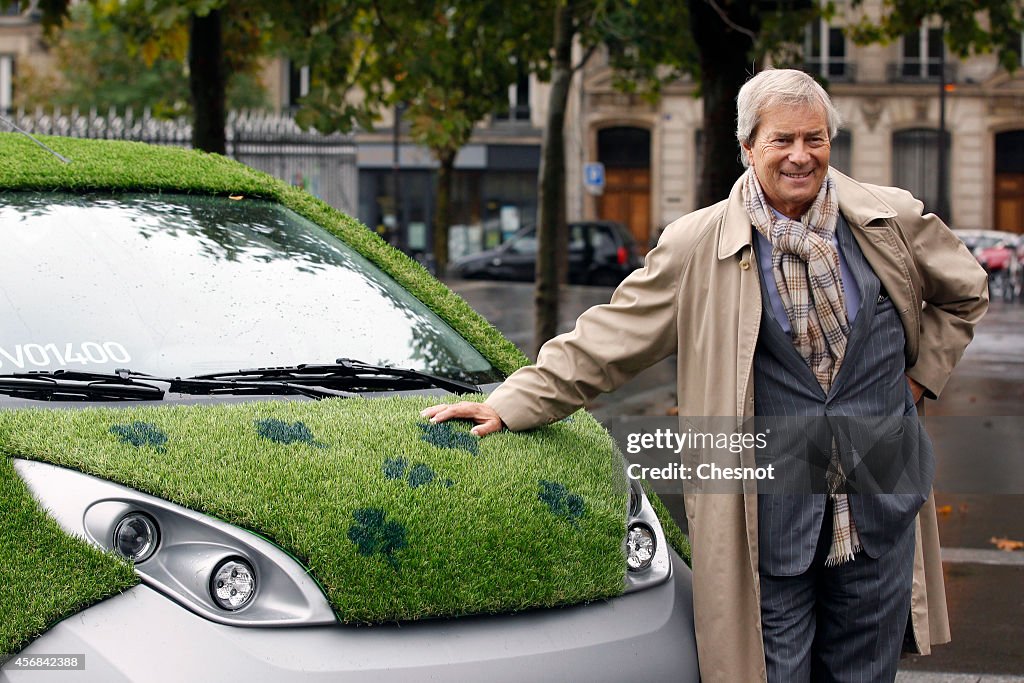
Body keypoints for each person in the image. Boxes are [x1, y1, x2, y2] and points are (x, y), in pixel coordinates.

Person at [422, 68, 988, 682]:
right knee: (771, 671)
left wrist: (917, 378)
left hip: (880, 499)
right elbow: (609, 337)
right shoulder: (698, 244)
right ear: (747, 148)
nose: (801, 156)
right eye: (782, 140)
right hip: (767, 512)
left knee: (864, 673)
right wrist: (512, 403)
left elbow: (965, 292)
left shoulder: (886, 220)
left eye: (815, 139)